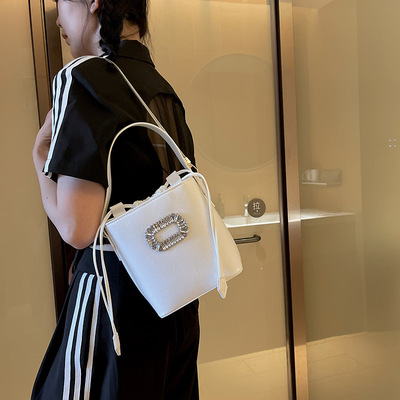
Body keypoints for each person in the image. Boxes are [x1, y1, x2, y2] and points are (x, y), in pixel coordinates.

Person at [31, 0, 200, 399]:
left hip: (113, 306)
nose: (57, 18)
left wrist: (39, 156)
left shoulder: (84, 78)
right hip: (174, 298)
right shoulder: (161, 88)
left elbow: (77, 228)